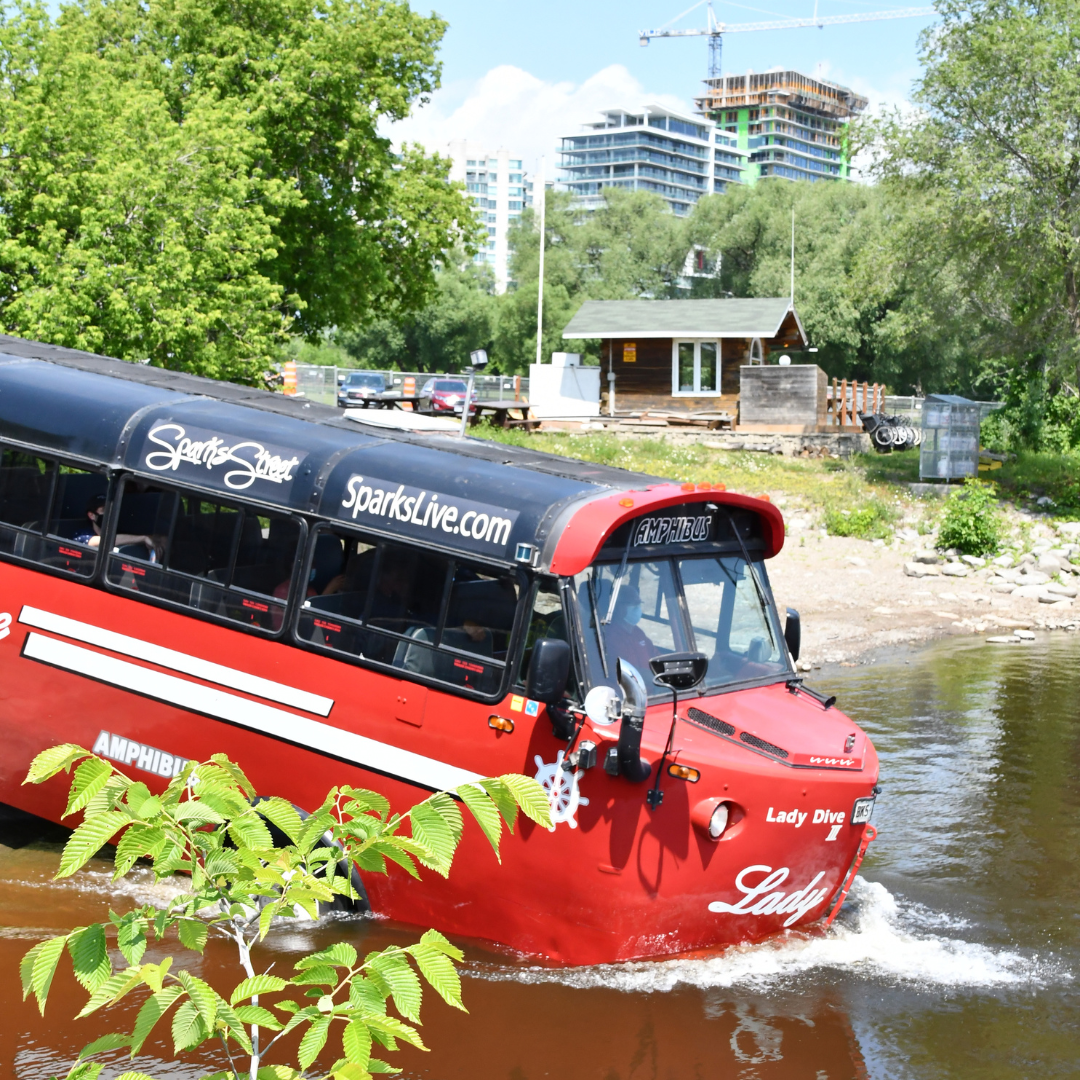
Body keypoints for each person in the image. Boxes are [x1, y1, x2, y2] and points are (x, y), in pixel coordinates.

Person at [73, 495, 159, 558]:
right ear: (91, 515)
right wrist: (143, 538)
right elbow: (105, 540)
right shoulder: (81, 535)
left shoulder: (121, 532)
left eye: (111, 509)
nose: (109, 513)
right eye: (104, 510)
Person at [600, 584, 658, 675]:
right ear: (617, 607)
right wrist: (646, 676)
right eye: (633, 604)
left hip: (654, 687)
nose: (637, 608)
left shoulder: (638, 632)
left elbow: (655, 655)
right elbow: (616, 671)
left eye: (638, 604)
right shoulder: (609, 636)